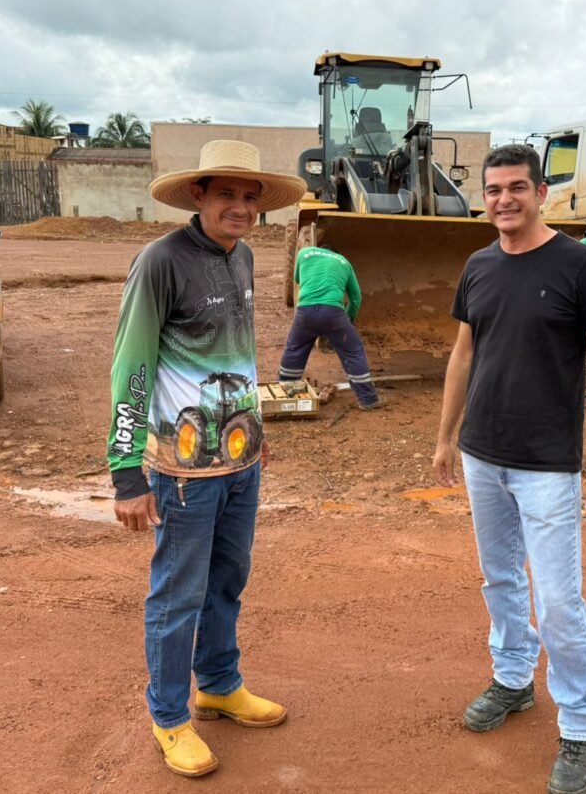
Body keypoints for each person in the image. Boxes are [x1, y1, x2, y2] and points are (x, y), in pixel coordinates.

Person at [107, 140, 305, 778]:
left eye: (250, 197)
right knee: (178, 595)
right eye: (226, 195)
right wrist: (126, 472)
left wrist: (255, 428)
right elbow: (133, 367)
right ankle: (169, 716)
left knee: (227, 580)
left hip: (240, 464)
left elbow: (237, 352)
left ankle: (218, 686)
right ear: (198, 195)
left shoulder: (242, 256)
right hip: (183, 474)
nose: (240, 207)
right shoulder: (160, 262)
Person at [432, 143, 586, 794]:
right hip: (482, 454)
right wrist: (444, 437)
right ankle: (514, 678)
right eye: (493, 190)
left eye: (517, 187)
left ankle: (582, 725)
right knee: (499, 578)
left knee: (559, 599)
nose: (504, 199)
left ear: (542, 193)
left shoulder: (579, 265)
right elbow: (463, 355)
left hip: (547, 464)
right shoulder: (478, 265)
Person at [278, 236, 386, 410]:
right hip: (333, 314)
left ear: (322, 249)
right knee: (353, 351)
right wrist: (348, 322)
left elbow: (298, 279)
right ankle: (368, 400)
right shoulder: (344, 262)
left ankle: (285, 396)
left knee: (294, 349)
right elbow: (356, 298)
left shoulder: (305, 253)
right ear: (336, 253)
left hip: (305, 313)